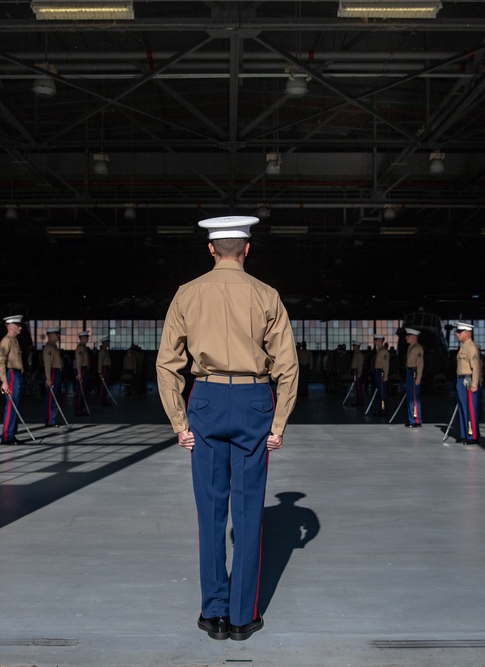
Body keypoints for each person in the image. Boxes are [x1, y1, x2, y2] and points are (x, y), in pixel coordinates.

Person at [156, 215, 298, 642]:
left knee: (211, 513)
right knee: (250, 511)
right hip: (254, 400)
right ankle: (242, 617)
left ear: (212, 249)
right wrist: (279, 422)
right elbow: (287, 367)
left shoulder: (187, 294)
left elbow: (167, 364)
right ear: (248, 249)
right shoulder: (267, 295)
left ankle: (212, 613)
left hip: (206, 399)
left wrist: (179, 422)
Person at [0, 315, 25, 444]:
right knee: (11, 405)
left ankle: (12, 434)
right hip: (12, 374)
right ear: (12, 327)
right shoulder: (6, 341)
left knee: (15, 406)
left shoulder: (14, 340)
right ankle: (7, 436)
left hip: (17, 374)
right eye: (18, 325)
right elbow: (1, 360)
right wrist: (4, 381)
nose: (21, 327)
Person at [454, 321, 481, 445]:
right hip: (461, 379)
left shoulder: (471, 347)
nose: (457, 334)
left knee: (471, 408)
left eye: (459, 332)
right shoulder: (463, 346)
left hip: (468, 380)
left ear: (467, 333)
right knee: (463, 407)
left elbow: (476, 366)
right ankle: (465, 434)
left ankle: (472, 436)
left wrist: (474, 383)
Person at [42, 327, 63, 426]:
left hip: (56, 372)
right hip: (53, 372)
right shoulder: (49, 347)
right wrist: (48, 378)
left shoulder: (53, 346)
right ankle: (50, 420)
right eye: (56, 334)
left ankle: (52, 418)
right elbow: (47, 363)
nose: (58, 336)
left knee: (54, 397)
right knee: (51, 397)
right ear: (50, 335)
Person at [403, 328, 423, 427]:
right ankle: (411, 418)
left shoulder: (417, 348)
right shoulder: (411, 347)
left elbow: (420, 364)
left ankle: (416, 420)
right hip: (409, 372)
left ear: (414, 337)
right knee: (410, 396)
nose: (406, 337)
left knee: (414, 398)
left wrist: (418, 377)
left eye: (408, 336)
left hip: (414, 372)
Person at [372, 335, 390, 416]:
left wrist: (386, 375)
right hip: (378, 372)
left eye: (376, 340)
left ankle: (383, 410)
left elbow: (386, 364)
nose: (375, 341)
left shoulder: (383, 351)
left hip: (381, 372)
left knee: (382, 392)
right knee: (379, 392)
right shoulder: (379, 350)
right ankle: (380, 409)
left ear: (381, 340)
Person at [74, 331, 91, 416]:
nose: (88, 338)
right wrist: (79, 372)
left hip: (85, 369)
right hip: (82, 370)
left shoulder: (84, 347)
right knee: (80, 391)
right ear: (82, 338)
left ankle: (80, 408)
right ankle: (78, 409)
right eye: (86, 337)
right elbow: (78, 361)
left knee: (83, 390)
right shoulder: (80, 348)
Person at [97, 336, 113, 406]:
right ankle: (102, 401)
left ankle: (104, 400)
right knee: (103, 385)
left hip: (107, 368)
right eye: (107, 342)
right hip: (104, 368)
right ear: (104, 343)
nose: (108, 343)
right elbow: (100, 362)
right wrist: (100, 371)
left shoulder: (105, 350)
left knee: (106, 384)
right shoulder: (102, 351)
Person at [349, 341, 364, 406]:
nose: (353, 347)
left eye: (354, 346)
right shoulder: (355, 354)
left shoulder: (359, 355)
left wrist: (359, 374)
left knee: (358, 387)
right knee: (356, 387)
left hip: (358, 371)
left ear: (357, 347)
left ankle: (360, 401)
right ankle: (358, 400)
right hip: (355, 371)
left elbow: (360, 365)